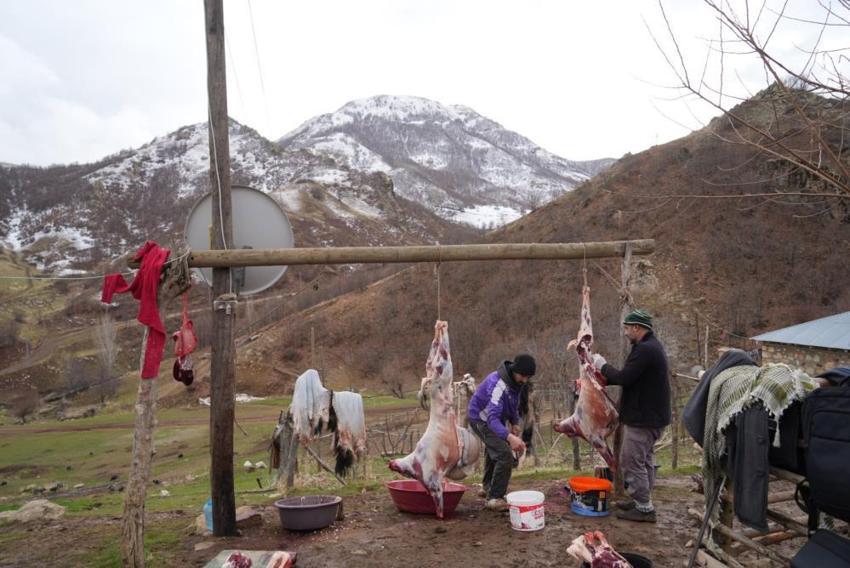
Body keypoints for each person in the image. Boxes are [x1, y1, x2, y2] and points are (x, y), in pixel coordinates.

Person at [592, 309, 670, 523]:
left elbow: (626, 377)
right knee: (643, 461)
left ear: (637, 328)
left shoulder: (645, 350)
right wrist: (605, 379)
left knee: (631, 460)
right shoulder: (649, 348)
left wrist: (602, 365)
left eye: (627, 328)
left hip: (644, 419)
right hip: (651, 416)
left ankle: (644, 508)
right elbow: (633, 378)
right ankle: (641, 501)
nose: (625, 333)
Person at [467, 354, 534, 511]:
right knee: (504, 453)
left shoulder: (516, 382)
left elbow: (512, 402)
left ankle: (487, 487)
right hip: (480, 418)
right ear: (515, 371)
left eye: (528, 377)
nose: (525, 380)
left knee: (495, 449)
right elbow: (492, 420)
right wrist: (509, 437)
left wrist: (515, 422)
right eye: (523, 376)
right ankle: (495, 498)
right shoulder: (497, 384)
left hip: (493, 419)